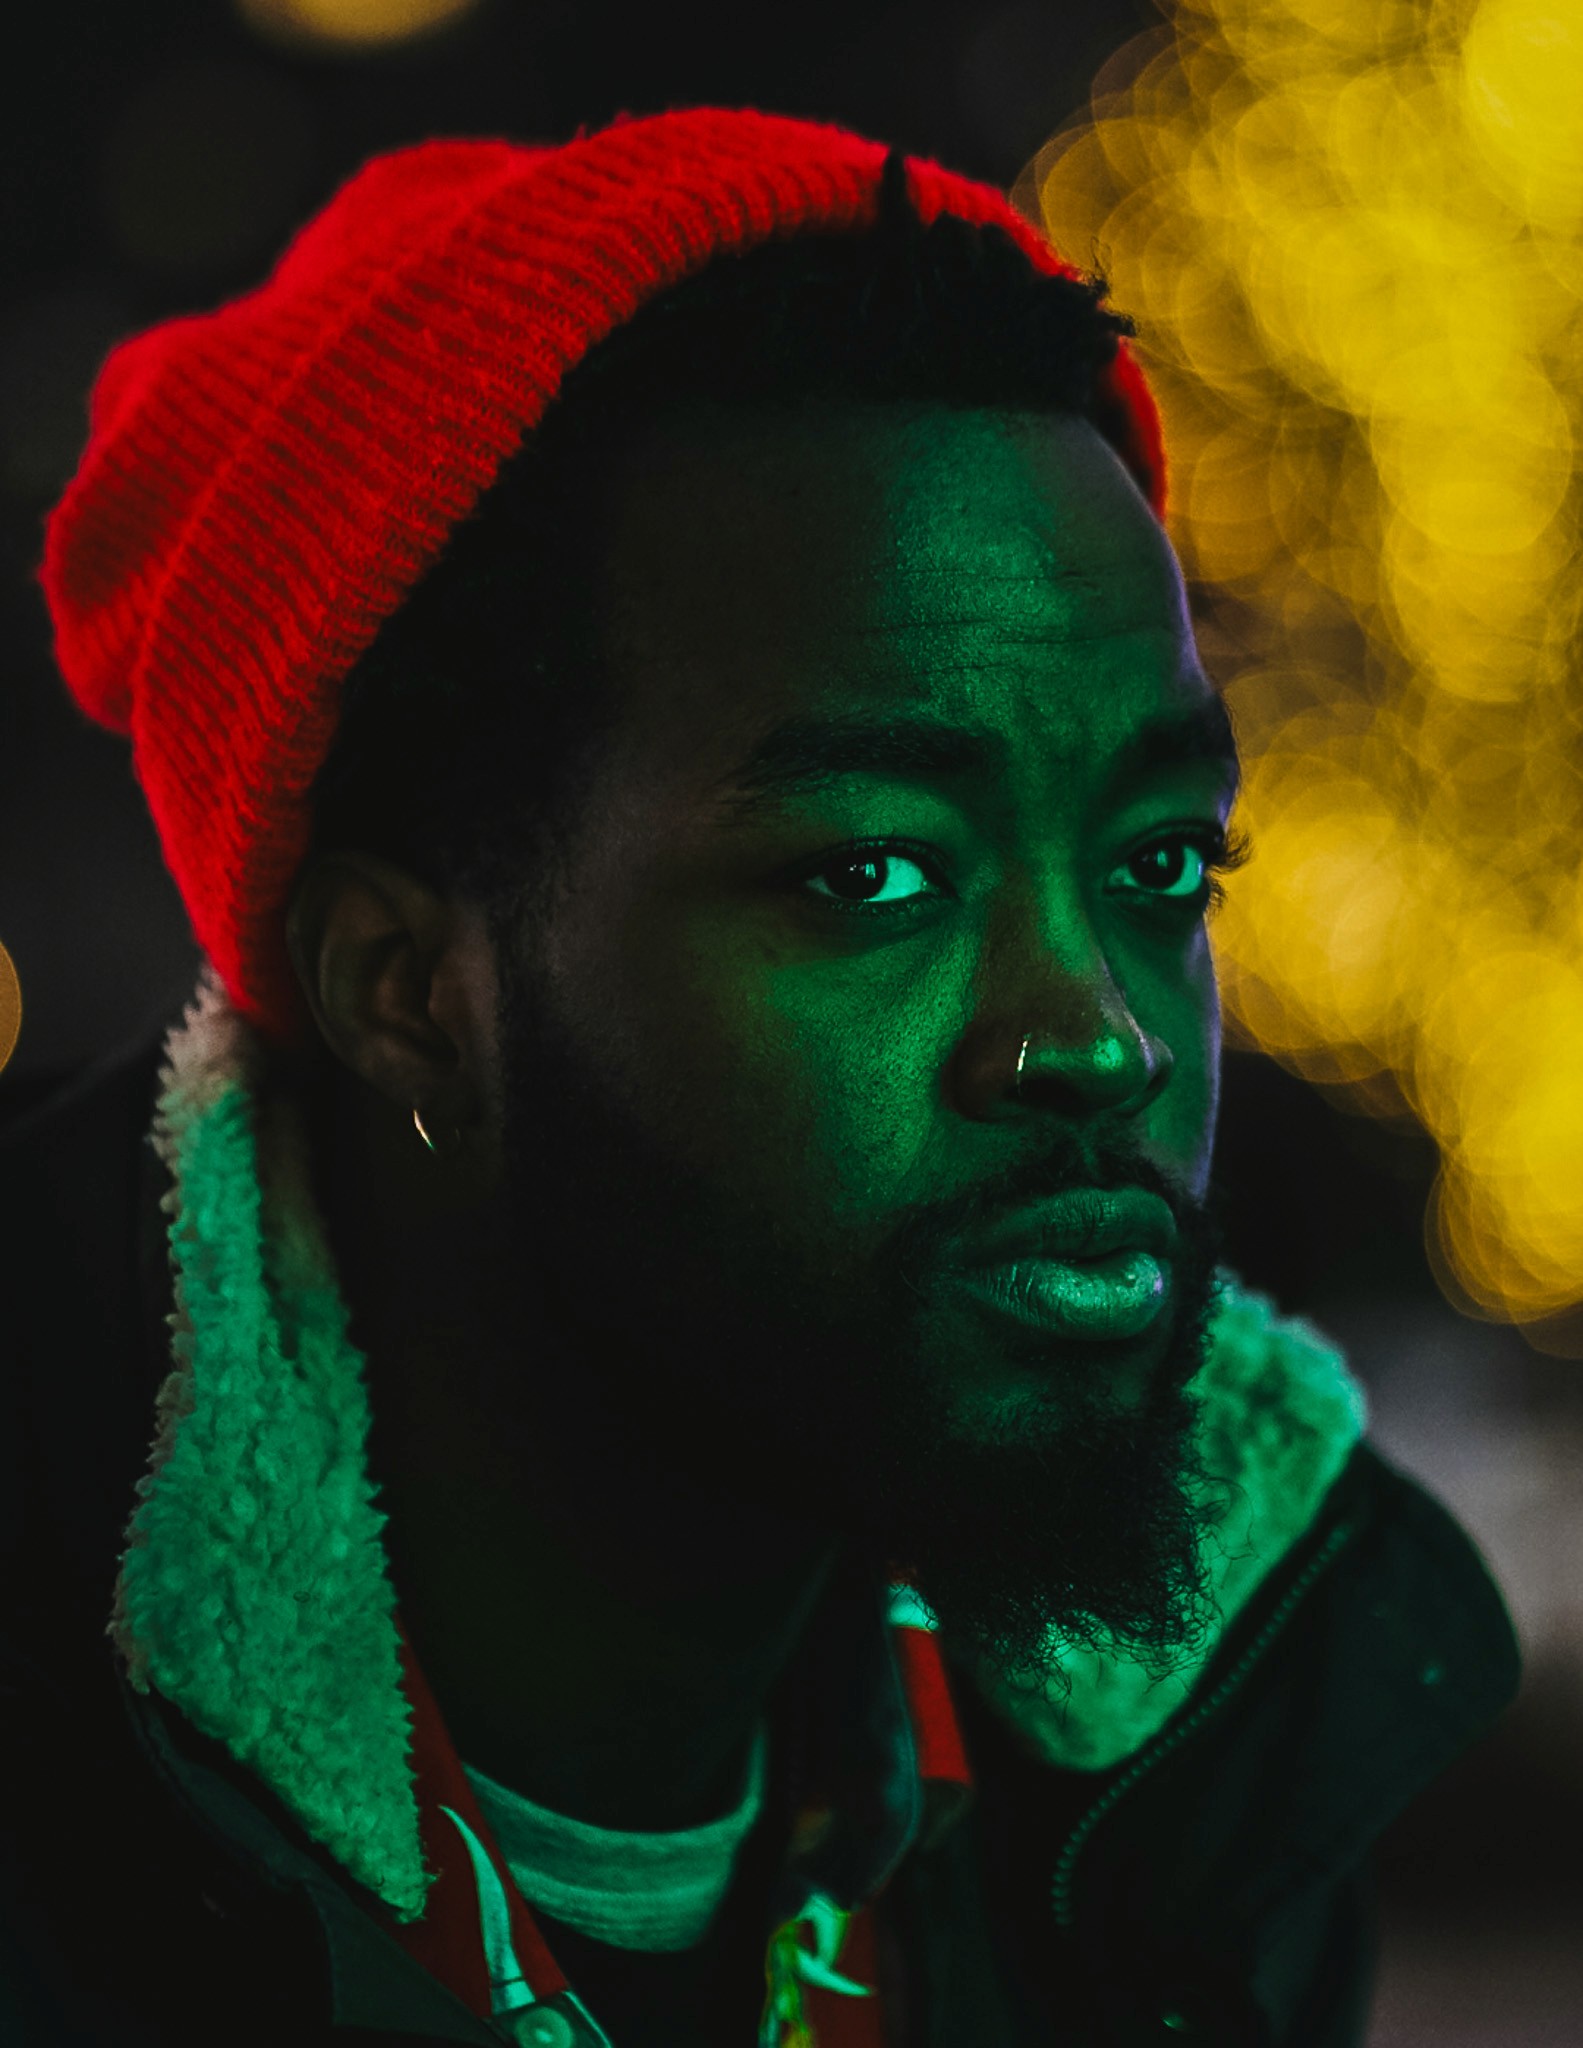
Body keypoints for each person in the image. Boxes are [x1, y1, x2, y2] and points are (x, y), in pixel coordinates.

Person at [2, 107, 1519, 2048]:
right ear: (410, 995)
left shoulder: (1192, 1788)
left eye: (1160, 865)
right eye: (872, 873)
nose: (1099, 1037)